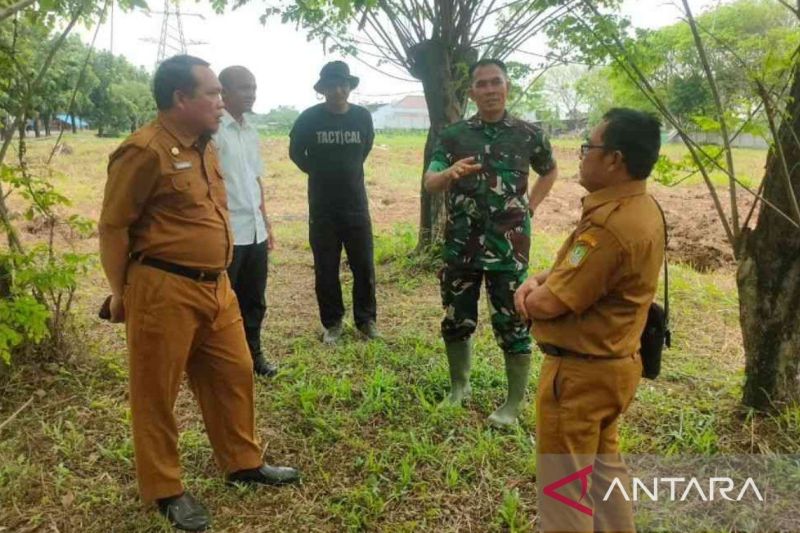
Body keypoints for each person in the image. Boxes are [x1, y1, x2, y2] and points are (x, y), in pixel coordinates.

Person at [98, 54, 299, 532]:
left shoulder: (207, 144)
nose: (220, 101)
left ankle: (242, 462)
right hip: (163, 287)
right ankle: (165, 488)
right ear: (180, 99)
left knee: (235, 373)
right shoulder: (142, 151)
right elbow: (113, 226)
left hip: (217, 284)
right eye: (210, 93)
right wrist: (120, 291)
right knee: (156, 392)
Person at [514, 108, 664, 532]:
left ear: (614, 159)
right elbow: (575, 274)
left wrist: (529, 294)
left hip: (580, 376)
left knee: (565, 494)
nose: (581, 156)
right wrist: (538, 281)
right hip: (615, 367)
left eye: (588, 147)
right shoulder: (640, 208)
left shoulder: (611, 228)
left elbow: (550, 303)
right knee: (603, 476)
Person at [423, 58, 559, 428]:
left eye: (495, 82)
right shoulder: (452, 136)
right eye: (481, 84)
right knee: (456, 319)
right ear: (471, 92)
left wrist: (529, 206)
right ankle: (459, 388)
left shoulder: (529, 134)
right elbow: (430, 181)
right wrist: (449, 173)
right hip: (461, 247)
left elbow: (550, 171)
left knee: (514, 323)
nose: (489, 90)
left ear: (507, 87)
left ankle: (512, 404)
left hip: (509, 248)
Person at [289, 61, 378, 345]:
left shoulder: (363, 117)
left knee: (363, 266)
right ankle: (332, 322)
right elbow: (295, 153)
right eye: (331, 85)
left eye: (343, 84)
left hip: (356, 206)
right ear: (323, 89)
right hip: (322, 207)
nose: (338, 90)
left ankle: (366, 321)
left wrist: (345, 171)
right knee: (325, 267)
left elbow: (365, 148)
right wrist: (319, 172)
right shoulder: (308, 119)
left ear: (350, 87)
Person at [214, 65, 277, 377]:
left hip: (254, 231)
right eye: (243, 88)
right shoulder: (213, 132)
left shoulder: (250, 131)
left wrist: (266, 223)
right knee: (224, 301)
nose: (251, 94)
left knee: (255, 300)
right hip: (226, 234)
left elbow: (255, 180)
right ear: (223, 92)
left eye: (253, 87)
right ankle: (224, 361)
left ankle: (254, 356)